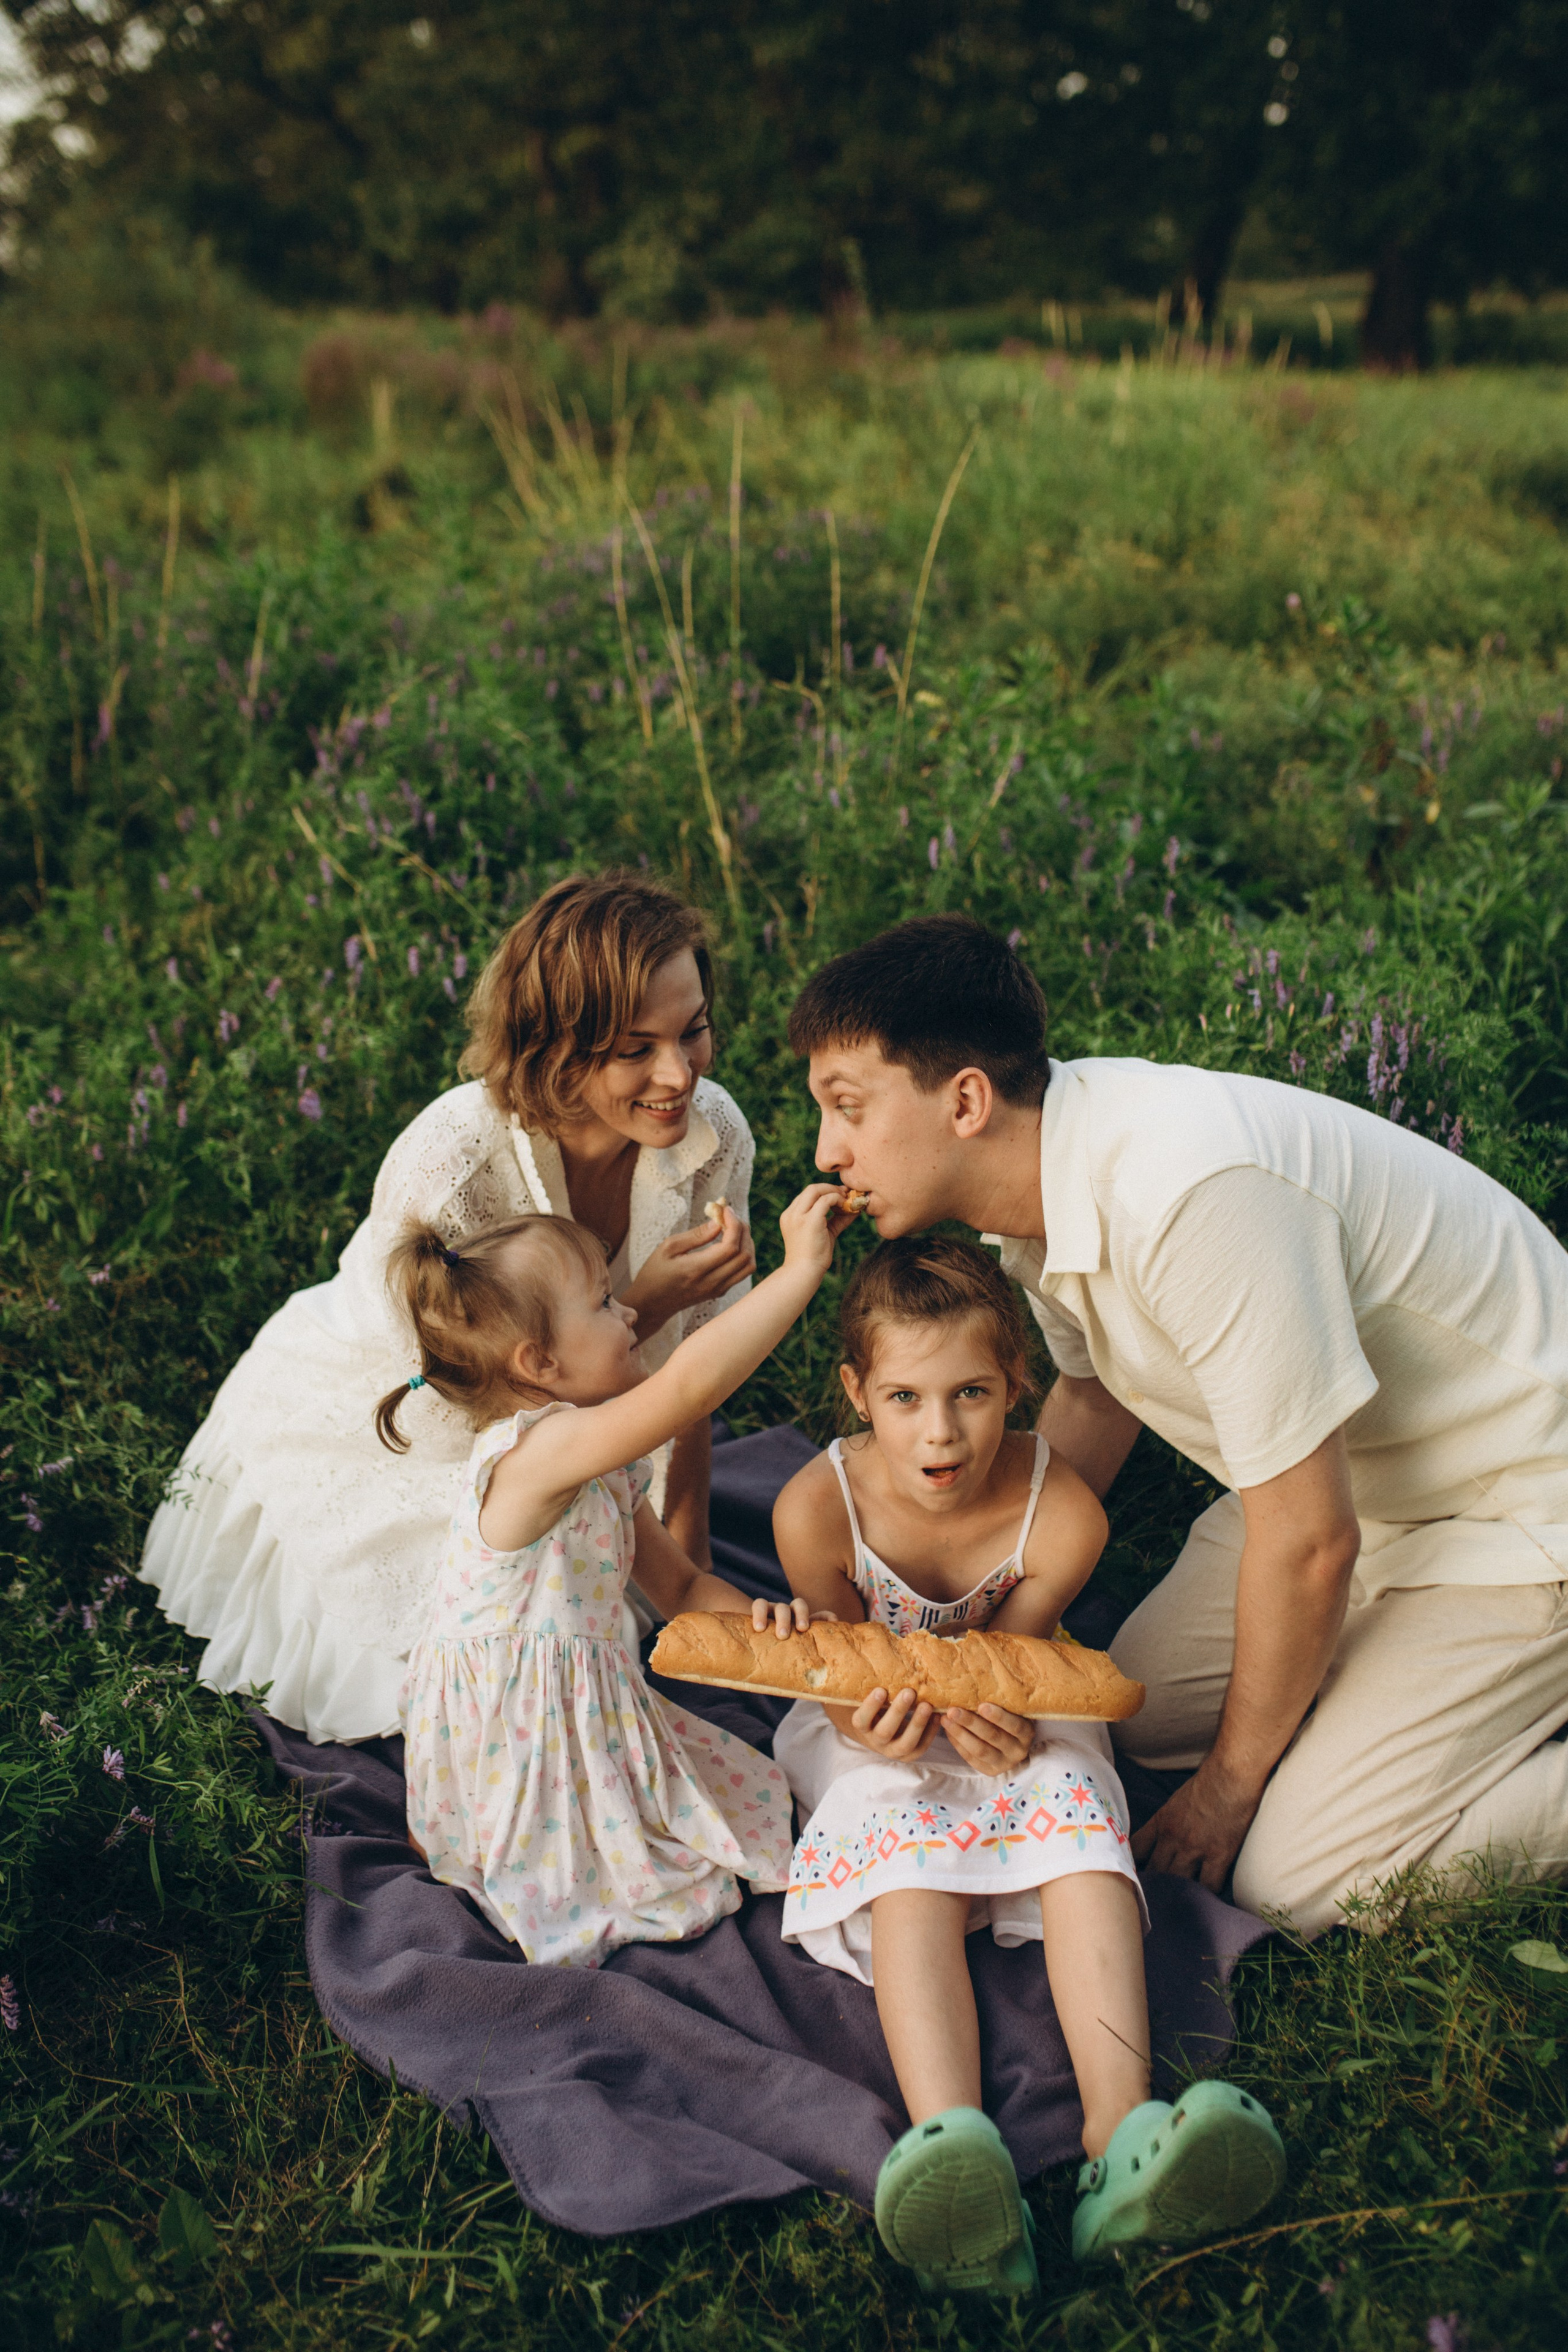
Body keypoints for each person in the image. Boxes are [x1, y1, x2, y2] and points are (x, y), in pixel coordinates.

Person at [786, 913, 1568, 1940]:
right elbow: (1093, 1396)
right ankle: (1396, 1704)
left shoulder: (1191, 1197)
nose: (827, 1150)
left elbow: (1309, 1542)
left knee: (1295, 1881)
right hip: (1356, 1484)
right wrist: (959, 1615)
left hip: (1519, 1506)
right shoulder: (1040, 1189)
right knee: (1134, 1718)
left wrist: (1228, 1790)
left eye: (848, 1107)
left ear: (966, 1101)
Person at [770, 1235, 1284, 2289]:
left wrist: (1005, 1718)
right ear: (857, 1393)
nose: (941, 1431)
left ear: (1018, 1381)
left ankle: (1123, 2134)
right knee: (904, 1845)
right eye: (905, 1398)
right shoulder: (815, 1509)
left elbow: (1020, 1654)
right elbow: (834, 1671)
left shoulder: (1064, 1512)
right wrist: (868, 1724)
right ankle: (954, 2146)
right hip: (868, 1723)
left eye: (970, 1392)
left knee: (1075, 1813)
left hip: (1018, 1693)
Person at [139, 871, 758, 1745]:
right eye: (634, 1048)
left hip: (578, 1413)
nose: (678, 1073)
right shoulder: (456, 1161)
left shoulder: (712, 1132)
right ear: (557, 1049)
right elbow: (474, 1406)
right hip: (406, 1421)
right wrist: (646, 1303)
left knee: (621, 1622)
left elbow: (699, 1360)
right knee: (510, 1678)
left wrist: (688, 1556)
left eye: (693, 1029)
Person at [383, 1181, 849, 1966]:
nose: (630, 1314)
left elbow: (683, 1591)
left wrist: (767, 1628)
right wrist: (798, 1271)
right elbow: (688, 1387)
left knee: (733, 1803)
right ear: (538, 1363)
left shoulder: (597, 1462)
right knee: (618, 1885)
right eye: (604, 1303)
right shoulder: (536, 1453)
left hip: (574, 1707)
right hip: (514, 1732)